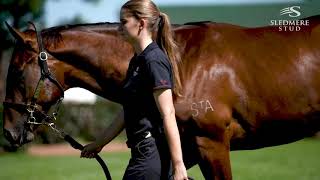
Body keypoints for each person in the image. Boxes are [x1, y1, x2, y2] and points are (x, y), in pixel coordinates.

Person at [80, 0, 188, 179]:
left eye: (123, 22)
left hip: (151, 156)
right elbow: (127, 111)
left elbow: (168, 113)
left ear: (141, 24)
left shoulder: (154, 60)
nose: (119, 27)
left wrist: (179, 165)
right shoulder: (137, 60)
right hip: (141, 154)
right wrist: (99, 143)